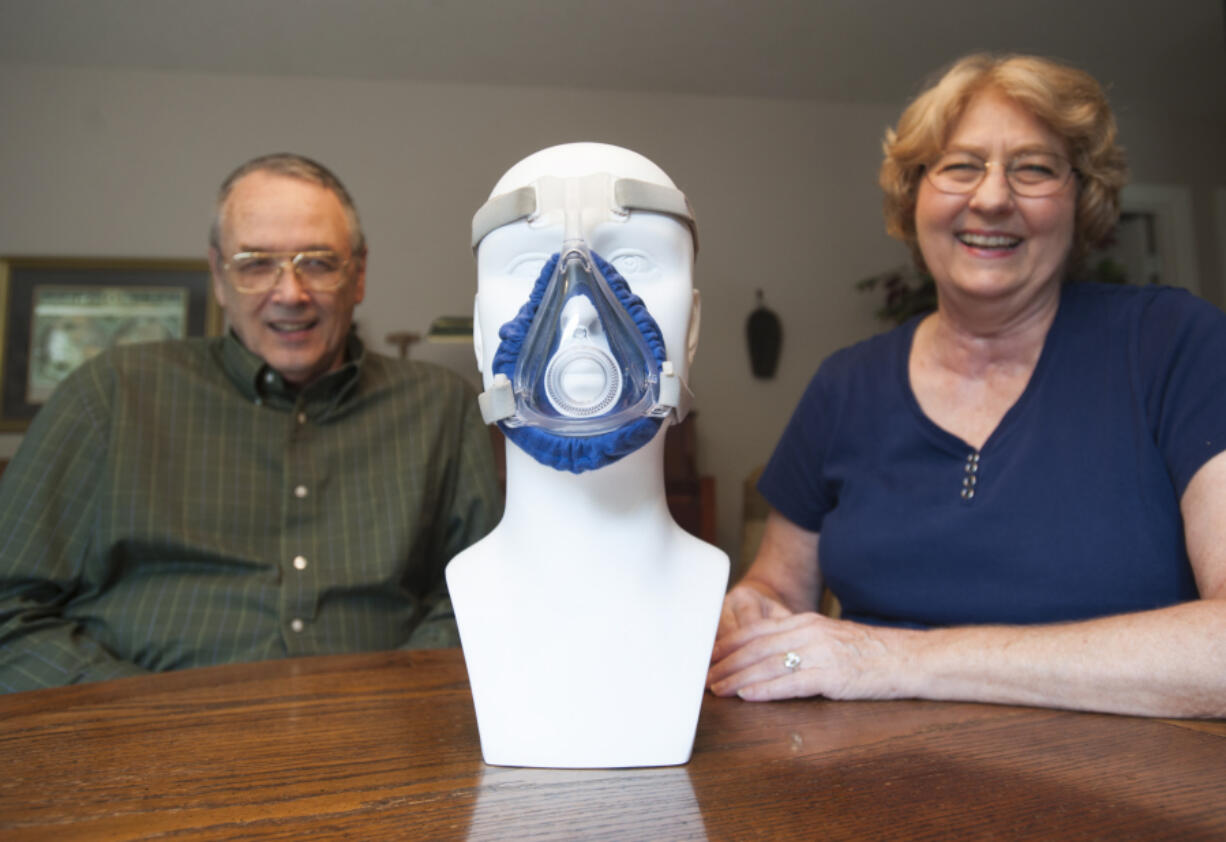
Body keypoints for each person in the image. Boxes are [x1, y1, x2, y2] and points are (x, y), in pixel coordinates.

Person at [708, 54, 1226, 718]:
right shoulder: (845, 385)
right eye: (960, 166)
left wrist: (894, 660)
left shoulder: (1174, 344)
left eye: (1034, 168)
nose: (991, 197)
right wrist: (754, 612)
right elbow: (776, 589)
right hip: (867, 789)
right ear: (913, 195)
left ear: (1082, 197)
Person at [0, 153, 501, 692]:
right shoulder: (110, 395)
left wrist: (391, 700)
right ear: (219, 276)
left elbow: (488, 594)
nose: (290, 293)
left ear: (358, 276)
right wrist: (137, 717)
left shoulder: (442, 408)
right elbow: (11, 609)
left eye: (318, 262)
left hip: (381, 739)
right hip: (138, 746)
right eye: (256, 263)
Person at [447, 142, 728, 767]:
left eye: (632, 261)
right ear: (478, 332)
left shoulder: (707, 586)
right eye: (526, 266)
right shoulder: (472, 588)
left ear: (692, 330)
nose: (579, 311)